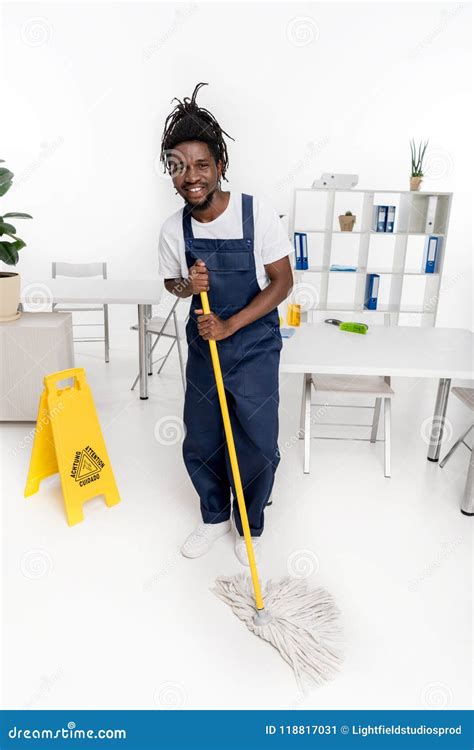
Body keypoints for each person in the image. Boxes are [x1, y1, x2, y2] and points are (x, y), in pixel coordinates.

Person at [158, 82, 293, 565]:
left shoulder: (257, 215)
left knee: (256, 439)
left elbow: (282, 283)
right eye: (179, 166)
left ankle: (249, 524)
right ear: (170, 172)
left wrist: (232, 325)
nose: (191, 176)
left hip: (254, 343)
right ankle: (214, 516)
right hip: (205, 346)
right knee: (203, 435)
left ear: (219, 166)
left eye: (201, 165)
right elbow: (172, 284)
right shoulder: (175, 229)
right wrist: (189, 289)